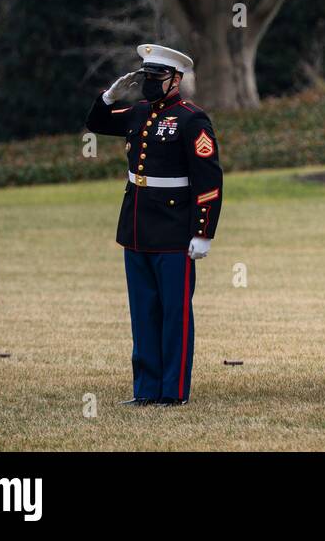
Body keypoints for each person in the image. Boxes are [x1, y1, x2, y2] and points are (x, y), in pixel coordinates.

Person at [85, 44, 223, 407]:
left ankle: (173, 392)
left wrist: (202, 232)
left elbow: (208, 181)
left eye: (156, 78)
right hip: (137, 226)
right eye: (146, 77)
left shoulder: (193, 120)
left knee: (174, 314)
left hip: (175, 229)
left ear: (175, 80)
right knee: (143, 311)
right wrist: (109, 95)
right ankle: (145, 390)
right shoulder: (139, 112)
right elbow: (97, 123)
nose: (149, 84)